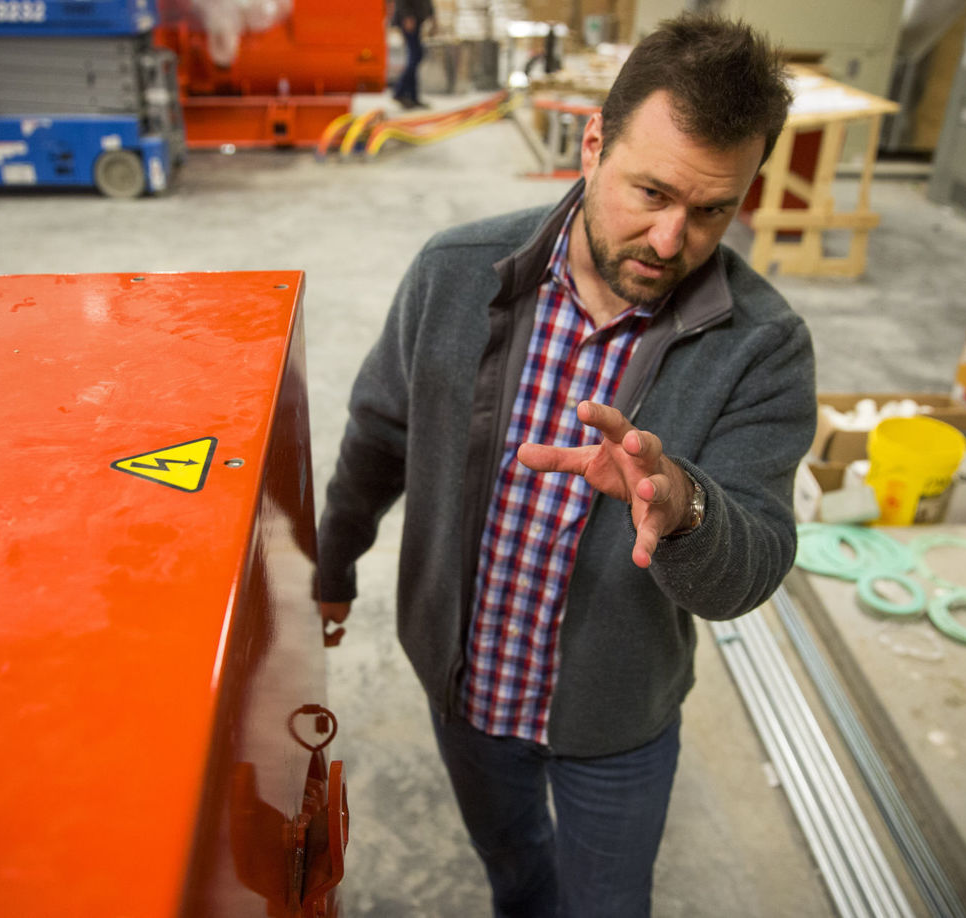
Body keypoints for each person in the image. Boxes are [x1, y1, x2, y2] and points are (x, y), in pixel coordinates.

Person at [318, 13, 816, 918]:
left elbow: (757, 560)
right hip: (466, 687)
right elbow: (379, 431)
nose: (671, 241)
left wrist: (686, 508)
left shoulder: (764, 346)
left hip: (616, 725)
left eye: (711, 210)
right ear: (591, 145)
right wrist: (334, 560)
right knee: (515, 875)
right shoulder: (456, 274)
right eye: (651, 193)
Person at [390, 0, 434, 109]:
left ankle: (412, 97)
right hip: (410, 19)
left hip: (416, 18)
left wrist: (431, 14)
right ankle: (400, 92)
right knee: (415, 56)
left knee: (416, 56)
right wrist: (407, 16)